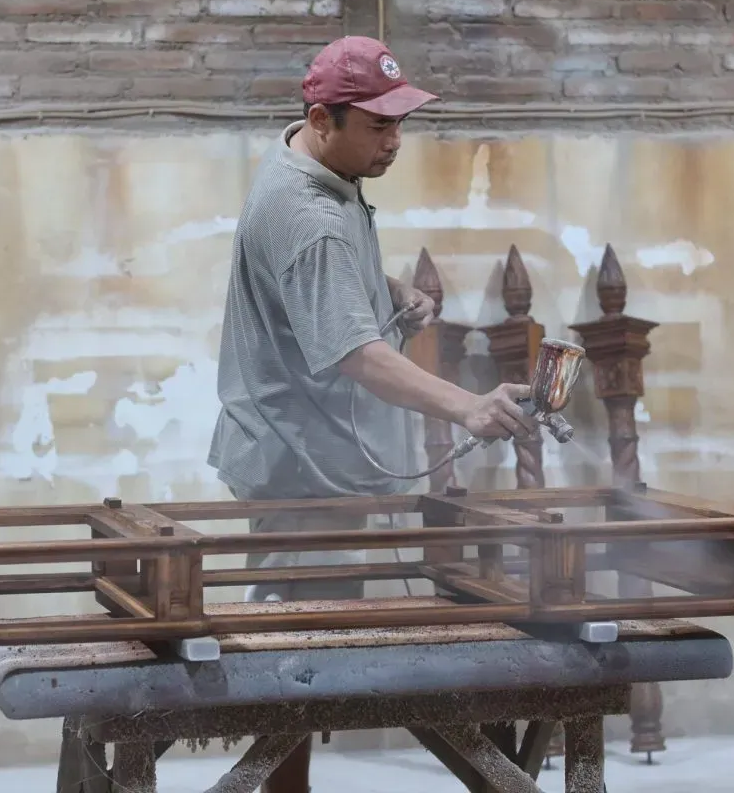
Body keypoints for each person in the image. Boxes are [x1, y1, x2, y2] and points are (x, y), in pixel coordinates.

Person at [207, 36, 536, 604]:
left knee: (328, 635)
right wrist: (469, 406)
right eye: (377, 127)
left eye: (398, 123)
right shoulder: (307, 215)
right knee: (302, 651)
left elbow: (308, 276)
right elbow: (361, 354)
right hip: (304, 470)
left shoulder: (304, 157)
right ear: (321, 119)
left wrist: (386, 290)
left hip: (316, 458)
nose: (394, 143)